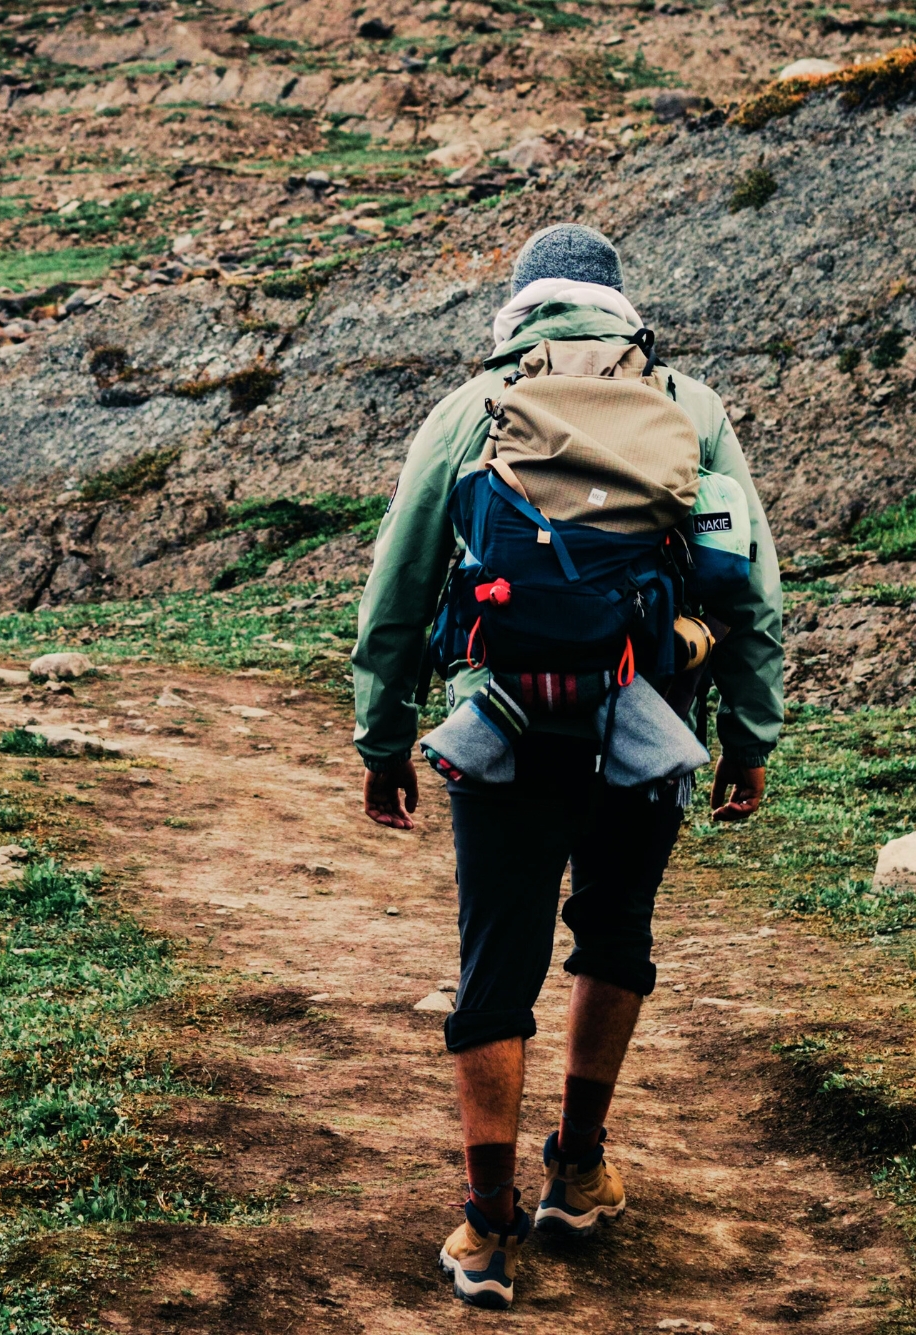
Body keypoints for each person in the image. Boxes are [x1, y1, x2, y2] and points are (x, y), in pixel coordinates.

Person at [350, 223, 784, 1310]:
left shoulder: (468, 411)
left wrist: (382, 739)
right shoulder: (690, 408)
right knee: (613, 932)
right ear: (618, 307)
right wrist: (748, 734)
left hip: (499, 727)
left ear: (515, 312)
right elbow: (745, 588)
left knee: (495, 960)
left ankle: (485, 1220)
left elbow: (397, 588)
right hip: (648, 721)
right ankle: (577, 1169)